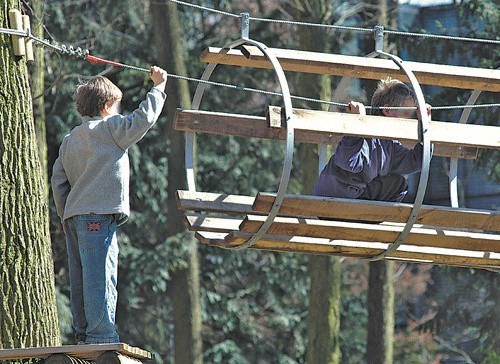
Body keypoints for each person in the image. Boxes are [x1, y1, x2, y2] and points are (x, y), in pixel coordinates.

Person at [51, 66, 168, 344]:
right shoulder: (111, 128)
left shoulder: (70, 139)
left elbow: (59, 181)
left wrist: (64, 215)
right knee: (101, 273)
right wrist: (159, 88)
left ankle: (84, 333)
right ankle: (101, 336)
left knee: (80, 277)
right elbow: (142, 120)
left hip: (74, 218)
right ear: (106, 106)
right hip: (98, 217)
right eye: (117, 106)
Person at [313, 77, 431, 203]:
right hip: (334, 197)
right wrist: (358, 123)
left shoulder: (390, 145)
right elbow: (348, 161)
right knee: (396, 184)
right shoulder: (367, 138)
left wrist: (426, 126)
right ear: (387, 110)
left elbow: (416, 162)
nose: (411, 121)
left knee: (398, 184)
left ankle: (370, 215)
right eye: (407, 115)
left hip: (353, 196)